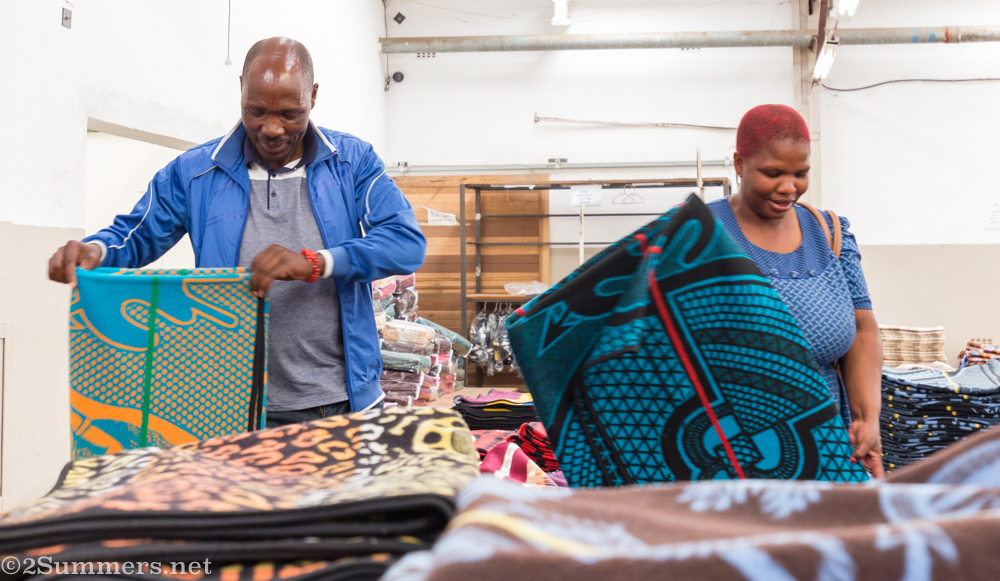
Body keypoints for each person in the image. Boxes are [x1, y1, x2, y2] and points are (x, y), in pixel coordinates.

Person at [48, 37, 426, 428]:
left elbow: (405, 243)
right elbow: (137, 235)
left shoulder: (351, 163)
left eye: (290, 114)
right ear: (241, 88)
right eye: (256, 111)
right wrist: (97, 250)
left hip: (340, 405)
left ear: (313, 96)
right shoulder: (195, 172)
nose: (272, 128)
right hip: (228, 406)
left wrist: (316, 262)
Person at [706, 104, 884, 477]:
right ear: (739, 164)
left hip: (828, 445)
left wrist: (867, 419)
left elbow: (863, 329)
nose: (789, 188)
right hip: (729, 453)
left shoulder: (830, 233)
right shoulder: (700, 233)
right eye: (772, 173)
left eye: (800, 174)